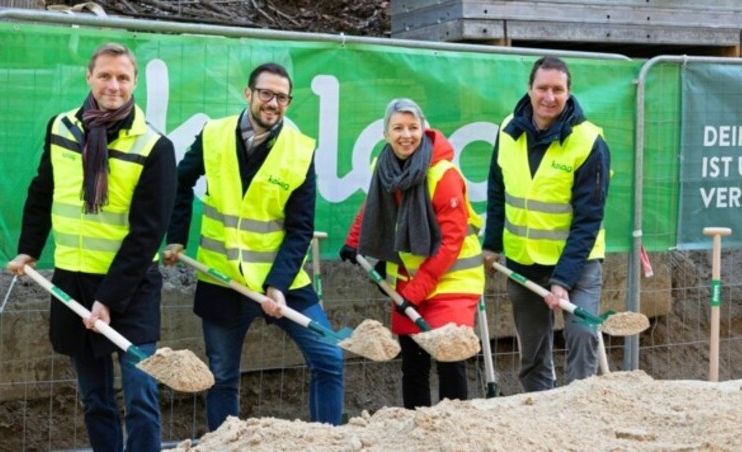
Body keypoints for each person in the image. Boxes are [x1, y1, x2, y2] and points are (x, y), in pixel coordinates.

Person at [6, 43, 176, 451]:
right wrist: (29, 248)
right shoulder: (61, 128)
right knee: (95, 397)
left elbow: (148, 233)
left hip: (130, 290)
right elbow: (42, 191)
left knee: (140, 394)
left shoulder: (155, 146)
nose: (113, 85)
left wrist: (109, 299)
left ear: (135, 82)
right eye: (105, 75)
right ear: (89, 77)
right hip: (73, 283)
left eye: (122, 77)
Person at [162, 62, 344, 431]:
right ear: (248, 94)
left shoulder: (300, 150)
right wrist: (177, 236)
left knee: (329, 357)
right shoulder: (213, 135)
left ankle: (328, 440)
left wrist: (276, 284)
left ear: (288, 103)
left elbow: (300, 229)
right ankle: (226, 442)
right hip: (223, 279)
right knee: (223, 375)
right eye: (266, 93)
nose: (273, 103)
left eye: (282, 97)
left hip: (283, 282)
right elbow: (179, 182)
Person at [339, 98, 485, 409]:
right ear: (385, 134)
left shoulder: (443, 175)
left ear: (424, 129)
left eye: (413, 127)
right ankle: (417, 430)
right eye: (398, 128)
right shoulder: (386, 167)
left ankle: (454, 431)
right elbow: (376, 206)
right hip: (408, 283)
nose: (406, 135)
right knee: (414, 366)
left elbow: (451, 241)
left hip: (452, 284)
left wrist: (415, 292)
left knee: (450, 359)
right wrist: (353, 241)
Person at [482, 56, 611, 392]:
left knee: (582, 334)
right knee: (533, 349)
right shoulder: (508, 130)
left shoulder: (588, 143)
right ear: (529, 89)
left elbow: (588, 219)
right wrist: (492, 245)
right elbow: (498, 191)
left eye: (558, 89)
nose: (549, 97)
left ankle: (580, 404)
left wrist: (563, 280)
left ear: (569, 93)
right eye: (542, 88)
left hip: (577, 262)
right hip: (524, 260)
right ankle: (539, 410)